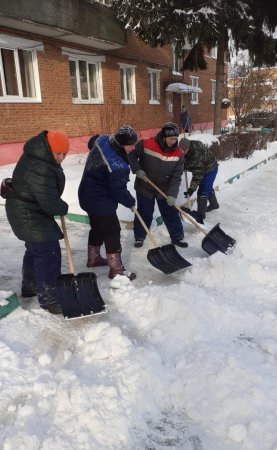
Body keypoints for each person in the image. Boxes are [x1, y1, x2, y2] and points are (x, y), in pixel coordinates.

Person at [5, 130, 70, 314]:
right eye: (59, 154)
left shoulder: (40, 157)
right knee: (48, 252)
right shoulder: (40, 166)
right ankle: (49, 299)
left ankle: (30, 286)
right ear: (49, 150)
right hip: (27, 213)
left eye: (65, 154)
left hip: (26, 210)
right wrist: (62, 207)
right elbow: (49, 202)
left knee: (35, 250)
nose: (62, 158)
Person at [78, 125, 137, 281]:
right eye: (130, 145)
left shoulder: (102, 139)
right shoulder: (118, 166)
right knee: (112, 231)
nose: (133, 148)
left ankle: (94, 258)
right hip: (100, 200)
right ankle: (116, 270)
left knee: (97, 227)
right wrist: (131, 202)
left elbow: (92, 142)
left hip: (85, 194)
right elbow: (118, 191)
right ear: (120, 144)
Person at [128, 122, 188, 248]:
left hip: (164, 190)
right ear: (164, 136)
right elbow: (132, 155)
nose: (173, 141)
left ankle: (177, 237)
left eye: (175, 139)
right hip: (145, 186)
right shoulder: (146, 144)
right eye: (171, 138)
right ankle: (139, 237)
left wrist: (172, 194)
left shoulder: (178, 154)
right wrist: (137, 169)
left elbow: (176, 177)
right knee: (144, 213)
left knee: (170, 213)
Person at [179, 138, 219, 220]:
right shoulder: (189, 146)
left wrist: (191, 190)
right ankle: (214, 204)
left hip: (210, 169)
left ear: (189, 148)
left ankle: (200, 217)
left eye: (184, 150)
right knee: (207, 187)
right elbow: (187, 160)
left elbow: (197, 176)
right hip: (202, 167)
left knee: (202, 192)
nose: (182, 152)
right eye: (181, 150)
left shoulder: (197, 156)